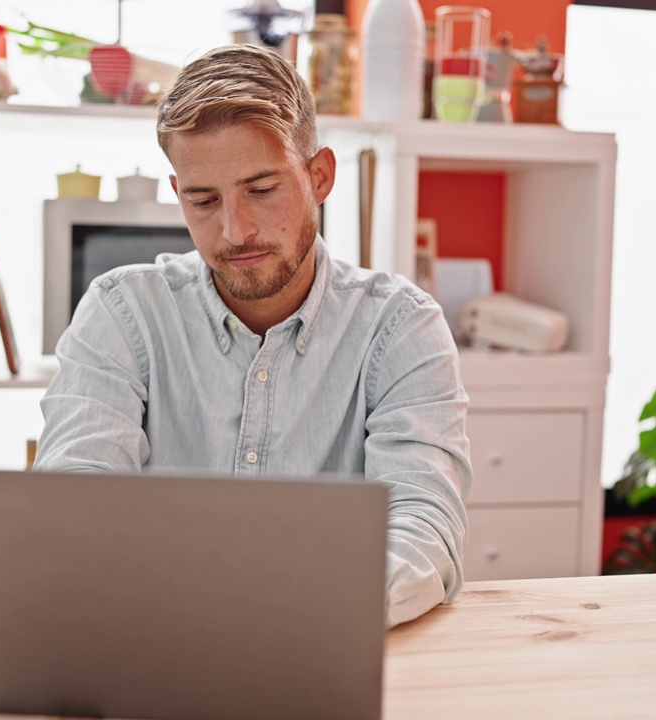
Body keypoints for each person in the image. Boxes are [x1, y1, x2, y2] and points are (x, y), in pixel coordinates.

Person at [33, 43, 471, 627]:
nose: (234, 231)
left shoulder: (400, 327)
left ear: (319, 177)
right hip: (155, 645)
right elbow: (74, 502)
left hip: (328, 646)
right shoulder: (122, 312)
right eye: (203, 200)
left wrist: (300, 611)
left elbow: (422, 524)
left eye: (261, 190)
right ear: (177, 193)